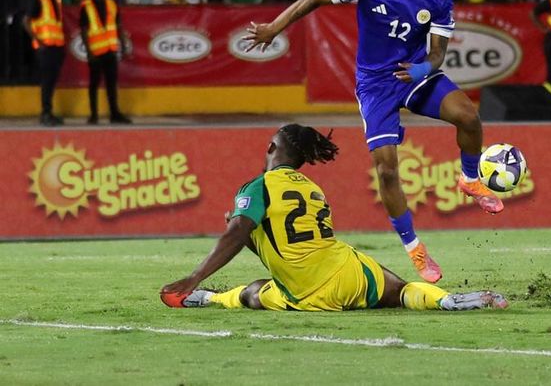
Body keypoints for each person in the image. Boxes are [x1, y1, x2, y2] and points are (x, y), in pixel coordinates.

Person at [242, 0, 504, 284]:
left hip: (414, 74)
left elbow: (439, 53)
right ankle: (415, 248)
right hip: (376, 86)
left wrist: (422, 69)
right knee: (387, 171)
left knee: (469, 117)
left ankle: (470, 178)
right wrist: (274, 27)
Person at [160, 124, 508, 313]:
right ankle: (447, 300)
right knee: (400, 292)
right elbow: (294, 243)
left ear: (270, 149)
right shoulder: (313, 188)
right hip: (346, 271)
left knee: (253, 294)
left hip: (303, 293)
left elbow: (240, 234)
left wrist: (195, 274)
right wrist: (251, 238)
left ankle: (204, 296)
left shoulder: (259, 186)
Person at [79, 0, 131, 125]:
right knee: (94, 83)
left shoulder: (111, 3)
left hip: (110, 49)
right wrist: (88, 51)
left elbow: (118, 26)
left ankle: (114, 114)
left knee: (111, 83)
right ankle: (93, 115)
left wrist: (124, 45)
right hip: (96, 51)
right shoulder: (86, 5)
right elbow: (83, 30)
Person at [23, 0, 66, 126]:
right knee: (47, 81)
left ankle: (49, 112)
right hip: (45, 47)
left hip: (56, 46)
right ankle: (45, 113)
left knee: (52, 81)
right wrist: (38, 40)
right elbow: (26, 21)